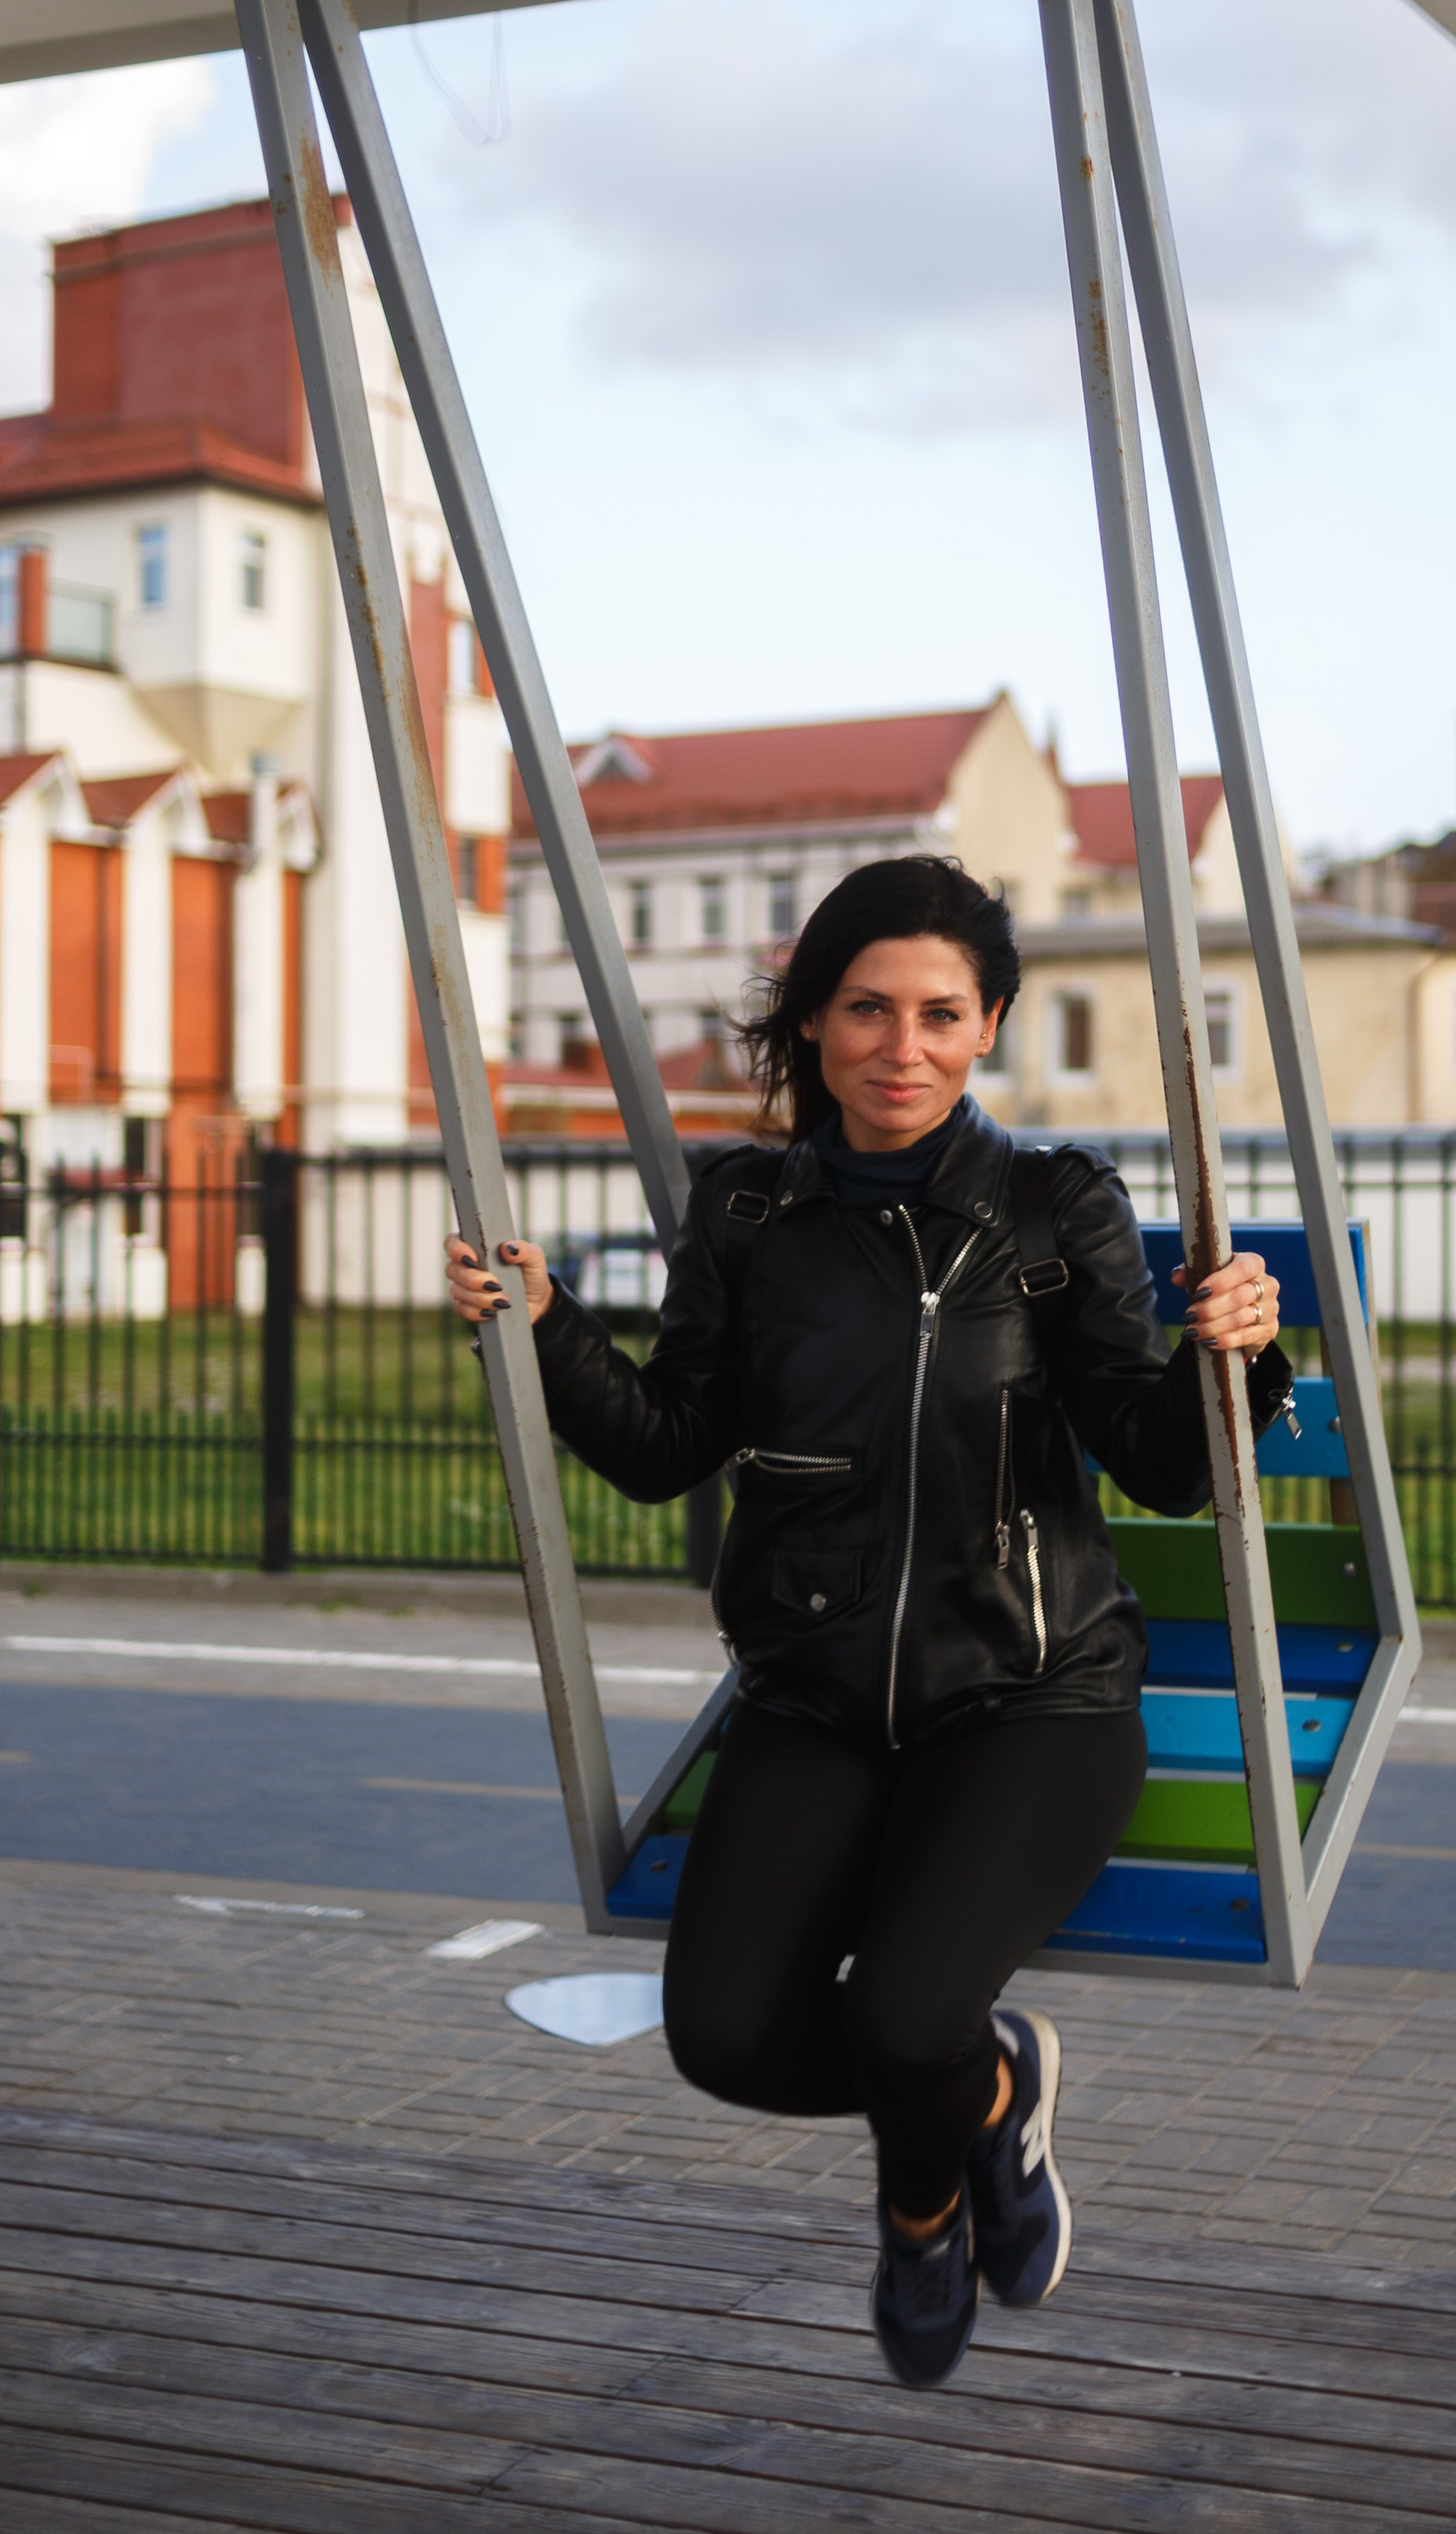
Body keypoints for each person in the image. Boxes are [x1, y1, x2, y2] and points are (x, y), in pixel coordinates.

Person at [445, 855, 1292, 2389]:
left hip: (1029, 1697)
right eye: (868, 1009)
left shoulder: (1051, 1207)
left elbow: (1162, 1464)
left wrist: (1227, 1354)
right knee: (727, 2039)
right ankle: (993, 2093)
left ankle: (918, 2211)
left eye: (940, 1016)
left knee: (906, 2014)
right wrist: (549, 1328)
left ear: (988, 1032)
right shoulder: (750, 1208)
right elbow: (662, 1446)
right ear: (815, 1020)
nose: (901, 1048)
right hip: (819, 1700)